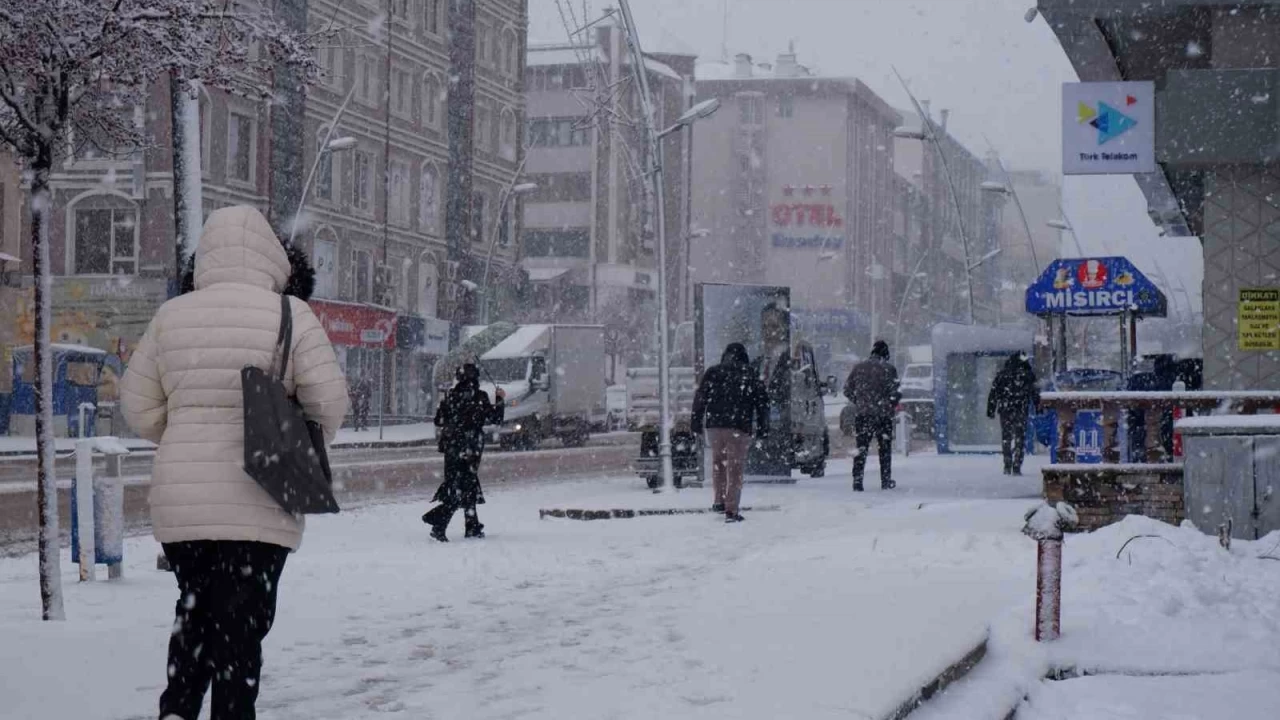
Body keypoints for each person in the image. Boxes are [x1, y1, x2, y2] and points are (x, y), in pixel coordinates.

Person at [121, 206, 349, 720]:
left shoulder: (171, 316)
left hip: (183, 506)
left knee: (195, 610)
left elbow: (137, 407)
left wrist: (183, 433)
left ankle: (178, 708)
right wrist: (284, 434)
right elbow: (328, 404)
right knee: (242, 628)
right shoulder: (291, 315)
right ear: (272, 256)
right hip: (261, 501)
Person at [423, 363, 505, 541]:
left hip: (452, 448)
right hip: (471, 448)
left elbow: (439, 420)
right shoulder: (480, 397)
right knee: (463, 487)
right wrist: (499, 399)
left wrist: (445, 408)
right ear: (476, 378)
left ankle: (472, 525)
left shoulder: (451, 396)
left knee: (461, 485)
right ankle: (439, 522)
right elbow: (496, 418)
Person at [691, 343, 769, 523]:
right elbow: (762, 403)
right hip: (738, 426)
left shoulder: (713, 372)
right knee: (735, 468)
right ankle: (731, 510)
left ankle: (719, 500)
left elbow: (700, 398)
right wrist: (763, 428)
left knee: (719, 463)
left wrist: (696, 423)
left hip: (714, 427)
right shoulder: (749, 374)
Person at [843, 340, 902, 491]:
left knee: (861, 449)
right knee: (885, 449)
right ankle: (886, 480)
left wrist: (860, 401)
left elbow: (847, 390)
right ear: (885, 354)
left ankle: (857, 481)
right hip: (883, 416)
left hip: (863, 415)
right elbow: (895, 393)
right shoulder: (889, 369)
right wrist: (890, 404)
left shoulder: (859, 368)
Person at [987, 352, 1040, 475]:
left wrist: (991, 409)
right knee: (1020, 437)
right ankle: (1017, 464)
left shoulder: (1002, 374)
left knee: (1006, 437)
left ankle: (1007, 463)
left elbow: (993, 393)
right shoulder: (1027, 374)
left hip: (1005, 410)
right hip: (1021, 409)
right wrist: (1038, 407)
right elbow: (1034, 392)